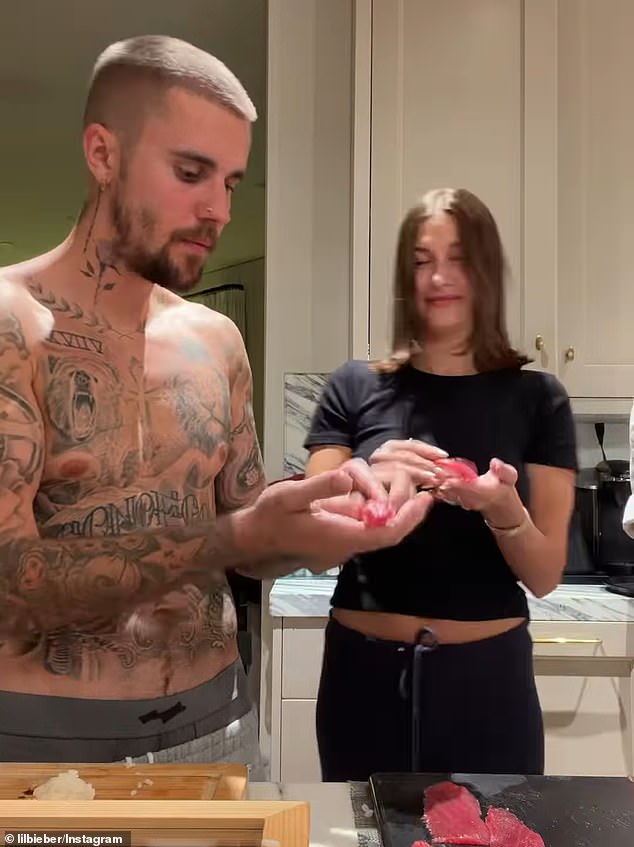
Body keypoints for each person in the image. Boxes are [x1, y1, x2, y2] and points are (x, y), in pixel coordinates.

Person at [0, 35, 432, 765]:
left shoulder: (217, 339)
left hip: (218, 728)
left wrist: (334, 507)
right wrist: (239, 538)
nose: (219, 209)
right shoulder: (14, 325)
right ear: (102, 154)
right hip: (51, 748)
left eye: (231, 181)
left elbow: (248, 534)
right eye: (191, 171)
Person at [304, 187, 578, 781]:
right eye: (422, 261)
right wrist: (369, 487)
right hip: (364, 677)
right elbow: (310, 544)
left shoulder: (539, 398)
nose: (438, 277)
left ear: (485, 270)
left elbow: (544, 574)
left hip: (488, 684)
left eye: (457, 258)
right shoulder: (353, 387)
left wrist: (503, 508)